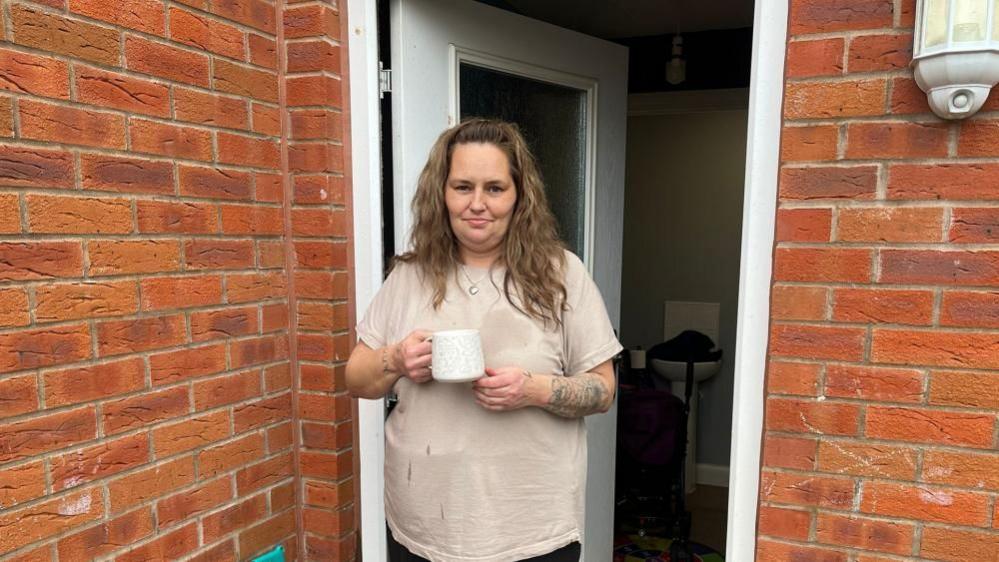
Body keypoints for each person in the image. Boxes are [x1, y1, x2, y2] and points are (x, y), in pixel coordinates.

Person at [346, 118, 622, 562]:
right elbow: (356, 379)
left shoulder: (561, 274)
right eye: (462, 187)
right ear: (442, 193)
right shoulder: (409, 276)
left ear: (519, 196)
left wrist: (532, 389)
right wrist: (395, 358)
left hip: (532, 529)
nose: (478, 204)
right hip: (423, 527)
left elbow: (603, 390)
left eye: (494, 188)